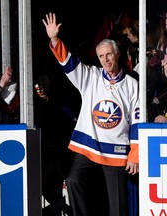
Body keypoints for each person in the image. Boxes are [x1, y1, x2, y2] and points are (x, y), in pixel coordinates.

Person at [42, 13, 140, 216]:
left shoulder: (132, 84)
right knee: (72, 181)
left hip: (117, 151)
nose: (105, 60)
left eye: (109, 55)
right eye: (101, 56)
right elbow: (68, 63)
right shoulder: (90, 76)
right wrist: (54, 39)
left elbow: (137, 122)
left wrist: (135, 154)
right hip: (89, 146)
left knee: (119, 206)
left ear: (117, 54)